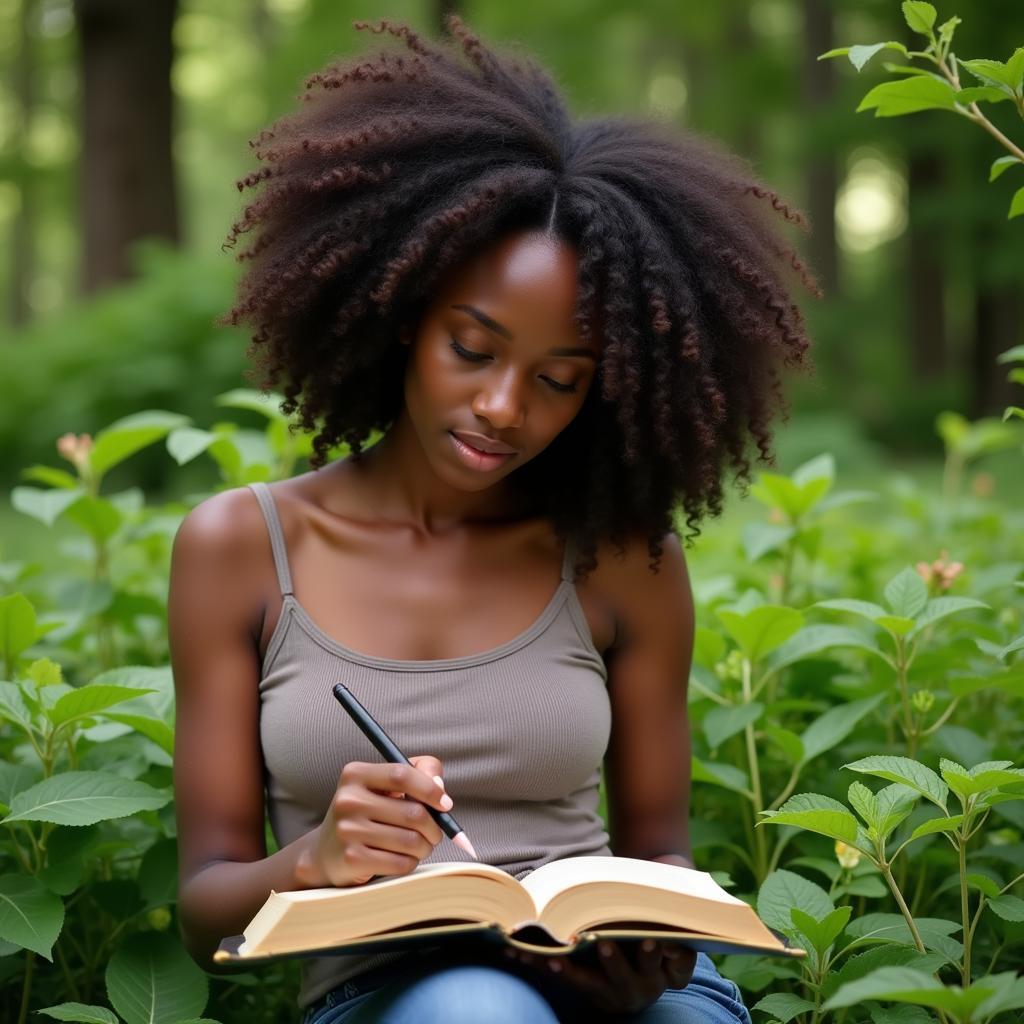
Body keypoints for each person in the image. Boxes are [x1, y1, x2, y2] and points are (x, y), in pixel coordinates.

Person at [169, 15, 817, 1024]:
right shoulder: (240, 548)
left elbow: (661, 856)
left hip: (605, 991)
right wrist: (317, 857)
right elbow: (206, 916)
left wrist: (653, 955)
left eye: (559, 380)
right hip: (391, 990)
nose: (506, 407)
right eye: (472, 350)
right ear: (401, 314)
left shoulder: (621, 559)